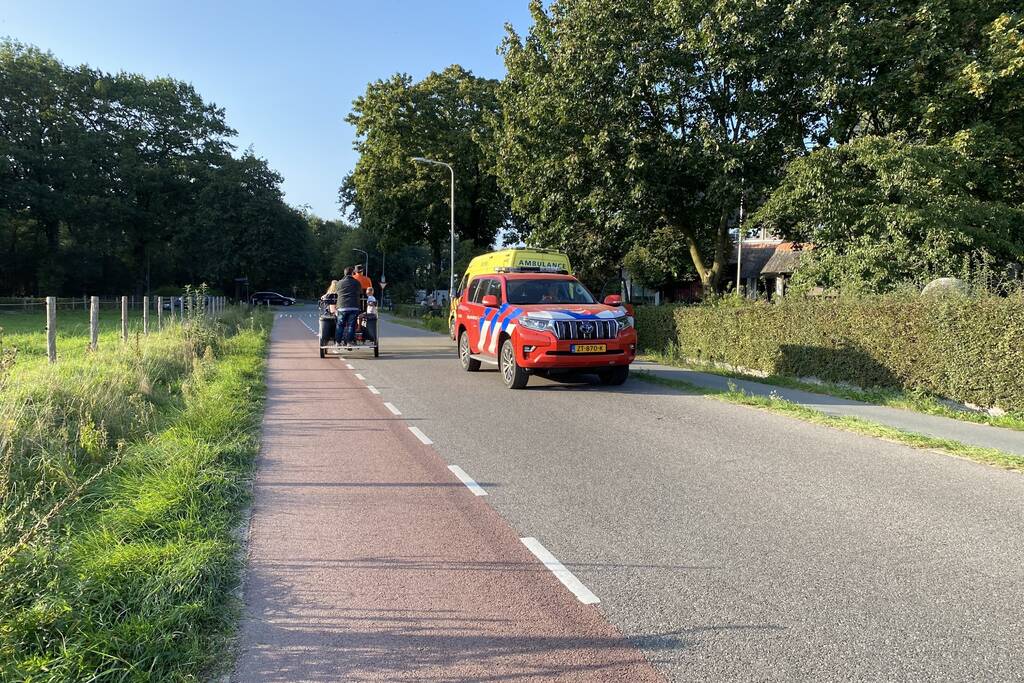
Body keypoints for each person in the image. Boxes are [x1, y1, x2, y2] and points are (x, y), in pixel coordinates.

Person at [335, 267, 361, 347]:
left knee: (340, 325)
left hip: (342, 306)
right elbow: (360, 292)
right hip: (354, 306)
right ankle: (349, 342)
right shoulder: (357, 282)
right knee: (351, 325)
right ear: (352, 273)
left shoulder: (339, 283)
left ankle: (338, 342)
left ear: (344, 273)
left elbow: (337, 292)